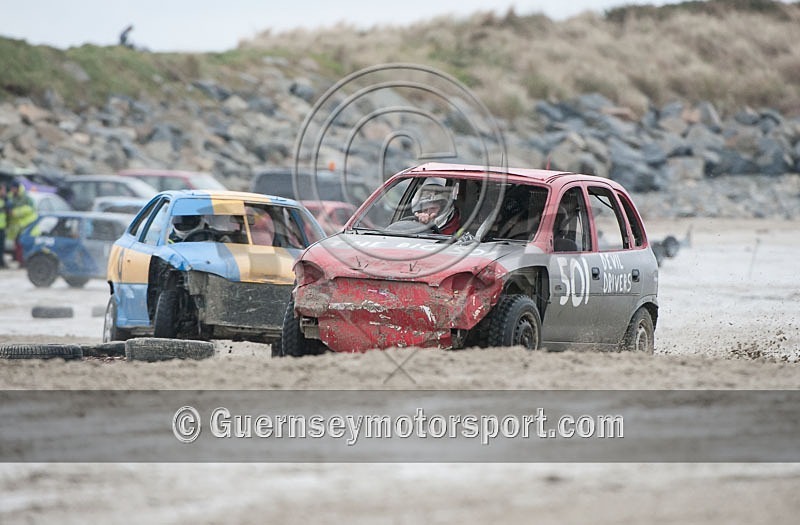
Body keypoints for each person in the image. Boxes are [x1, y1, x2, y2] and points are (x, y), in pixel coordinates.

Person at [7, 182, 37, 265]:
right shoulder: (10, 197)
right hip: (16, 227)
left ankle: (25, 261)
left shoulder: (26, 198)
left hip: (27, 225)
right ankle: (20, 261)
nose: (12, 190)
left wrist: (15, 212)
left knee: (24, 244)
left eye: (14, 188)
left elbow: (30, 209)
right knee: (17, 245)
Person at [0, 184, 8, 268]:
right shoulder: (3, 201)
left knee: (2, 247)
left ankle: (1, 262)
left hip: (2, 227)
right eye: (3, 190)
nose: (4, 192)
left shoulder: (4, 200)